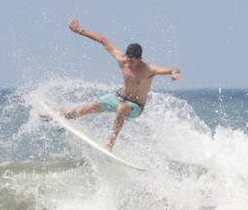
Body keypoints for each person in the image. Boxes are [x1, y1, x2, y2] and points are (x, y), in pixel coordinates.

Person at [60, 17, 181, 150]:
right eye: (128, 60)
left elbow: (172, 69)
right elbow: (103, 40)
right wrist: (80, 31)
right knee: (89, 107)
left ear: (140, 59)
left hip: (135, 107)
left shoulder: (149, 70)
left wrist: (175, 73)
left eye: (132, 62)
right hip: (118, 98)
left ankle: (109, 145)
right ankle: (67, 117)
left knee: (121, 108)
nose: (129, 64)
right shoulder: (122, 59)